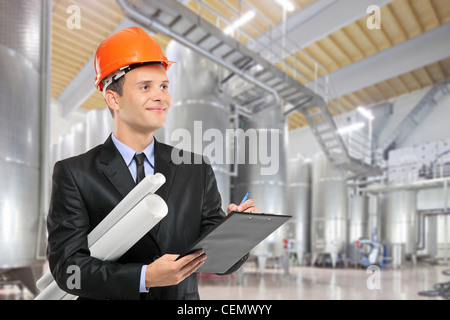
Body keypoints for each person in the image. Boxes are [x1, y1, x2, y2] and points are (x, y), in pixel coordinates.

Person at [46, 26, 258, 300]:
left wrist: (237, 234)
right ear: (113, 98)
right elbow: (69, 269)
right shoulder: (74, 173)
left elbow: (220, 261)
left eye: (164, 86)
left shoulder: (196, 169)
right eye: (146, 87)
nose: (161, 97)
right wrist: (144, 277)